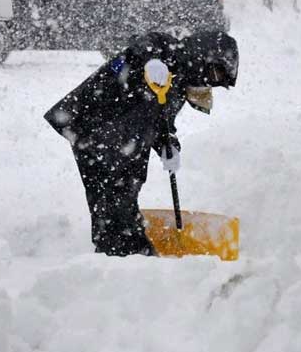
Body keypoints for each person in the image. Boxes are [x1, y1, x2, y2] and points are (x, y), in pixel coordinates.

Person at [44, 30, 239, 256]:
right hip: (95, 126)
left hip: (122, 137)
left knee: (120, 192)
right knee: (115, 193)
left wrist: (168, 145)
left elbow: (160, 122)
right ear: (203, 55)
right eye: (214, 73)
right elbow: (142, 44)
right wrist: (152, 60)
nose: (210, 81)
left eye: (216, 80)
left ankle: (118, 251)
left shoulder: (178, 86)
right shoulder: (164, 48)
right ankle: (126, 253)